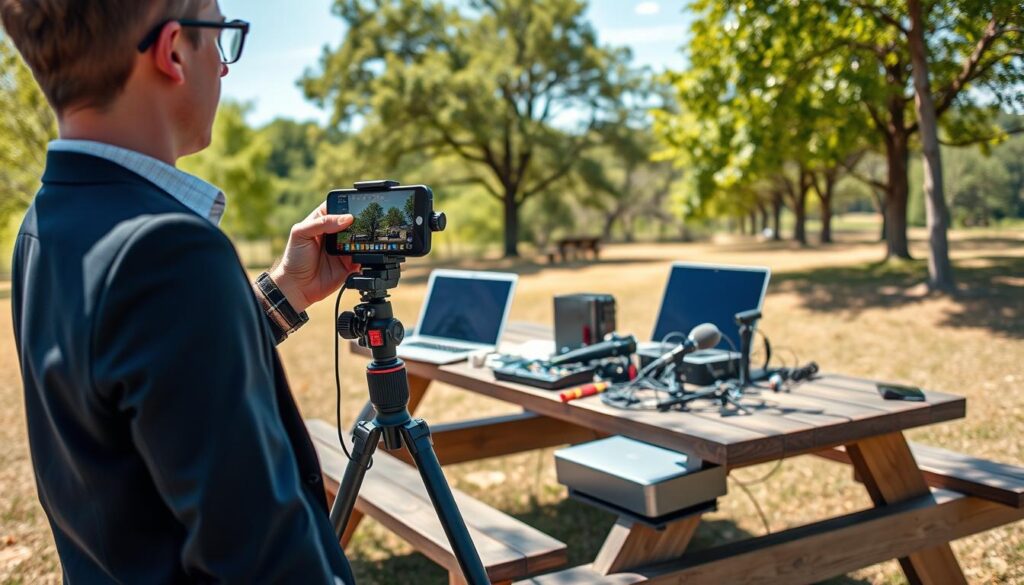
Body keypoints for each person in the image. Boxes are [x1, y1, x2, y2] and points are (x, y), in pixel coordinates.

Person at [2, 0, 359, 582]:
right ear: (173, 51)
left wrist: (283, 292)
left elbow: (143, 386)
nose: (223, 66)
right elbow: (259, 553)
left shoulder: (46, 221)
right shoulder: (168, 248)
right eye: (221, 37)